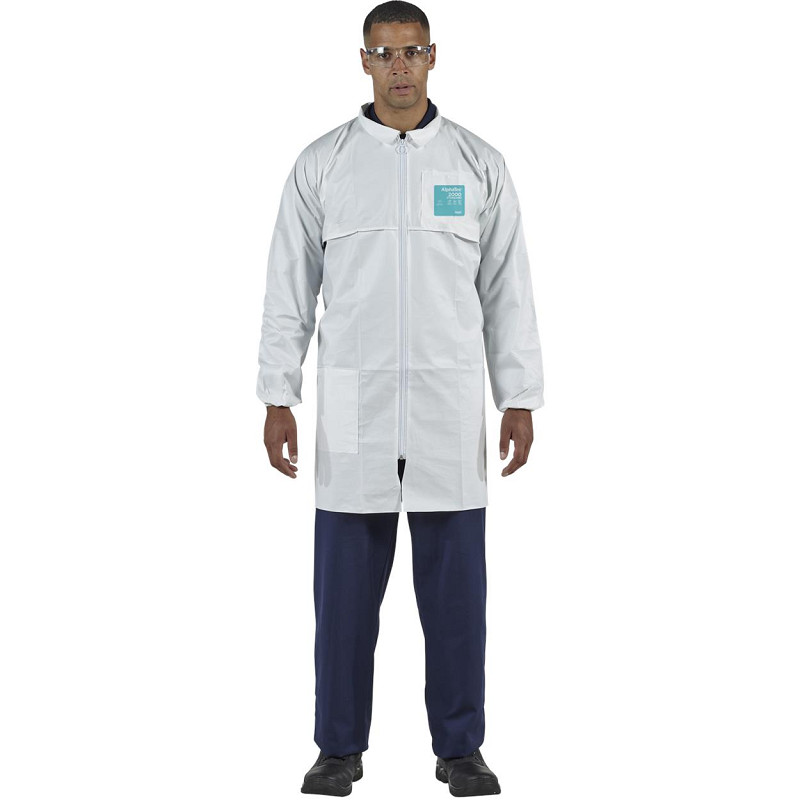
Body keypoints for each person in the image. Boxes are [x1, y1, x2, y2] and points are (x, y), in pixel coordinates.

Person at [256, 2, 544, 795]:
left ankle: (460, 748)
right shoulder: (324, 165)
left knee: (457, 600)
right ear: (363, 62)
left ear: (434, 56)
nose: (400, 67)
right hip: (356, 409)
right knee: (344, 599)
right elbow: (289, 288)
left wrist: (518, 396)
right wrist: (278, 395)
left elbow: (507, 290)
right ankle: (338, 748)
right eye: (384, 54)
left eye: (412, 52)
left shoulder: (478, 164)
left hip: (449, 408)